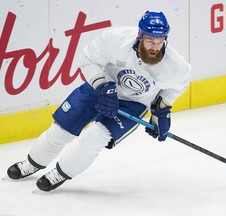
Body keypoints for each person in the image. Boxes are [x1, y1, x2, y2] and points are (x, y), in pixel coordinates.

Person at [6, 11, 192, 192]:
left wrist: (162, 111)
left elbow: (176, 87)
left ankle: (60, 173)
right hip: (101, 87)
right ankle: (32, 163)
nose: (155, 47)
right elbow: (88, 59)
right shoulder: (115, 39)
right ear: (140, 35)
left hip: (134, 102)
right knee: (61, 129)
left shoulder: (177, 65)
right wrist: (102, 86)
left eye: (160, 42)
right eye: (150, 40)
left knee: (96, 136)